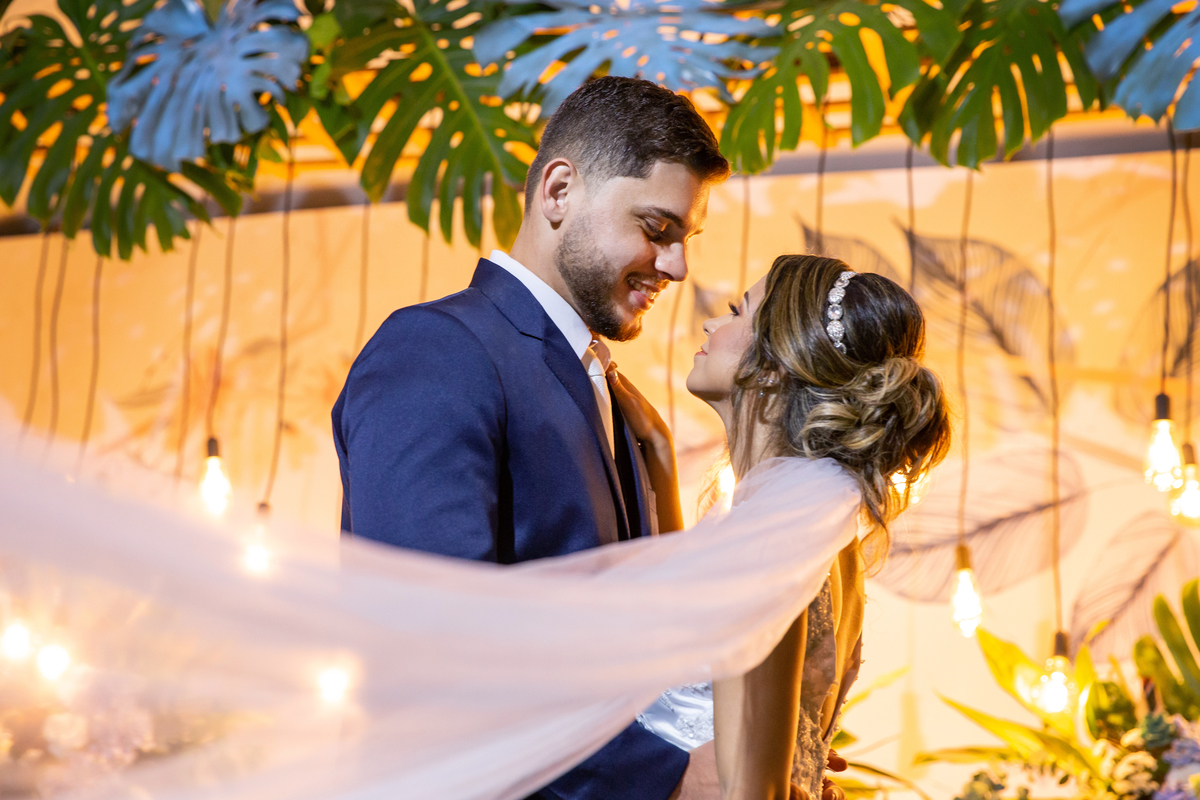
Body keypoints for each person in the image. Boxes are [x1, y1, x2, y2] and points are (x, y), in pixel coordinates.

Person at [332, 75, 729, 800]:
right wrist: (671, 779)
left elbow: (626, 661)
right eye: (657, 229)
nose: (676, 266)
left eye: (683, 239)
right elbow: (437, 653)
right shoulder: (438, 350)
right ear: (558, 192)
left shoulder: (610, 393)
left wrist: (739, 745)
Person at [608, 254, 952, 798]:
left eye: (735, 312)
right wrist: (661, 464)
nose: (710, 324)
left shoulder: (777, 537)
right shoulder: (817, 530)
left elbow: (747, 786)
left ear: (773, 365)